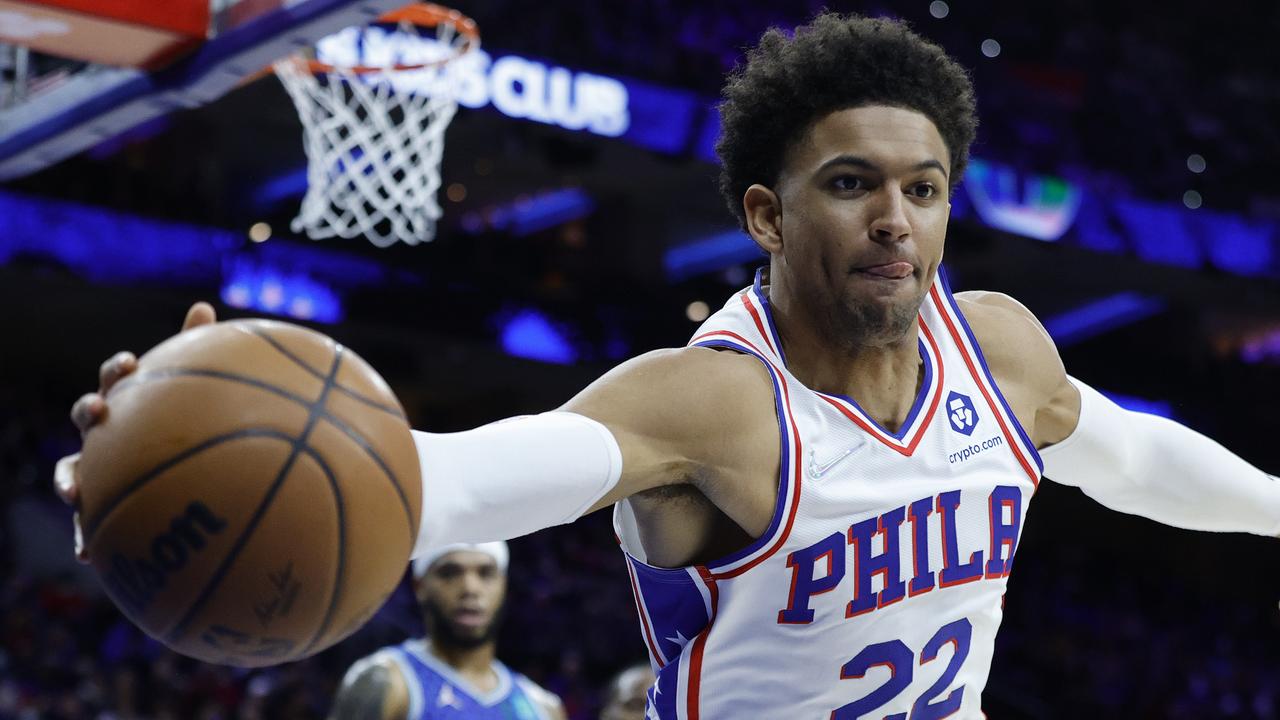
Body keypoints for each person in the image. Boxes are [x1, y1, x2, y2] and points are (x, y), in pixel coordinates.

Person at [56, 12, 1280, 718]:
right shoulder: (706, 401)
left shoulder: (1000, 348)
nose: (894, 220)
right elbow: (452, 481)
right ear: (763, 215)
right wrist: (217, 450)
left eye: (922, 189)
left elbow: (1126, 457)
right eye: (849, 186)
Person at [328, 542, 565, 720]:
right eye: (450, 573)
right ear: (419, 586)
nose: (470, 588)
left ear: (504, 584)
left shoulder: (543, 708)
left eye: (485, 573)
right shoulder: (385, 681)